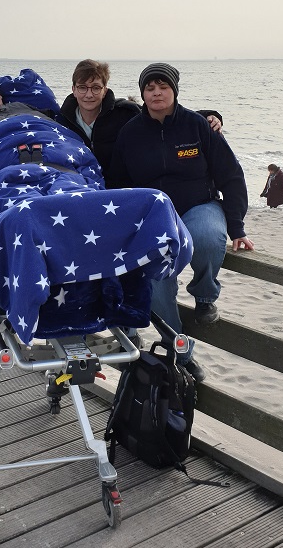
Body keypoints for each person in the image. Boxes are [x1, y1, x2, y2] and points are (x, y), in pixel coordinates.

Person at [107, 62, 255, 383]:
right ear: (143, 93)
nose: (156, 92)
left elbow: (230, 176)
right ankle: (181, 353)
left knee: (206, 237)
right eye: (150, 87)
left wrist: (237, 227)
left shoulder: (199, 126)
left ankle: (204, 297)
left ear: (174, 90)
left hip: (201, 205)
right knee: (158, 284)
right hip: (156, 217)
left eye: (163, 86)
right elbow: (119, 184)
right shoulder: (130, 133)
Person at [57, 59, 223, 175]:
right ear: (73, 89)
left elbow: (159, 115)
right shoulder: (60, 121)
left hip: (117, 188)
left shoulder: (124, 113)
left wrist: (207, 116)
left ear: (105, 90)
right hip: (80, 186)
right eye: (82, 87)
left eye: (95, 88)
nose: (88, 94)